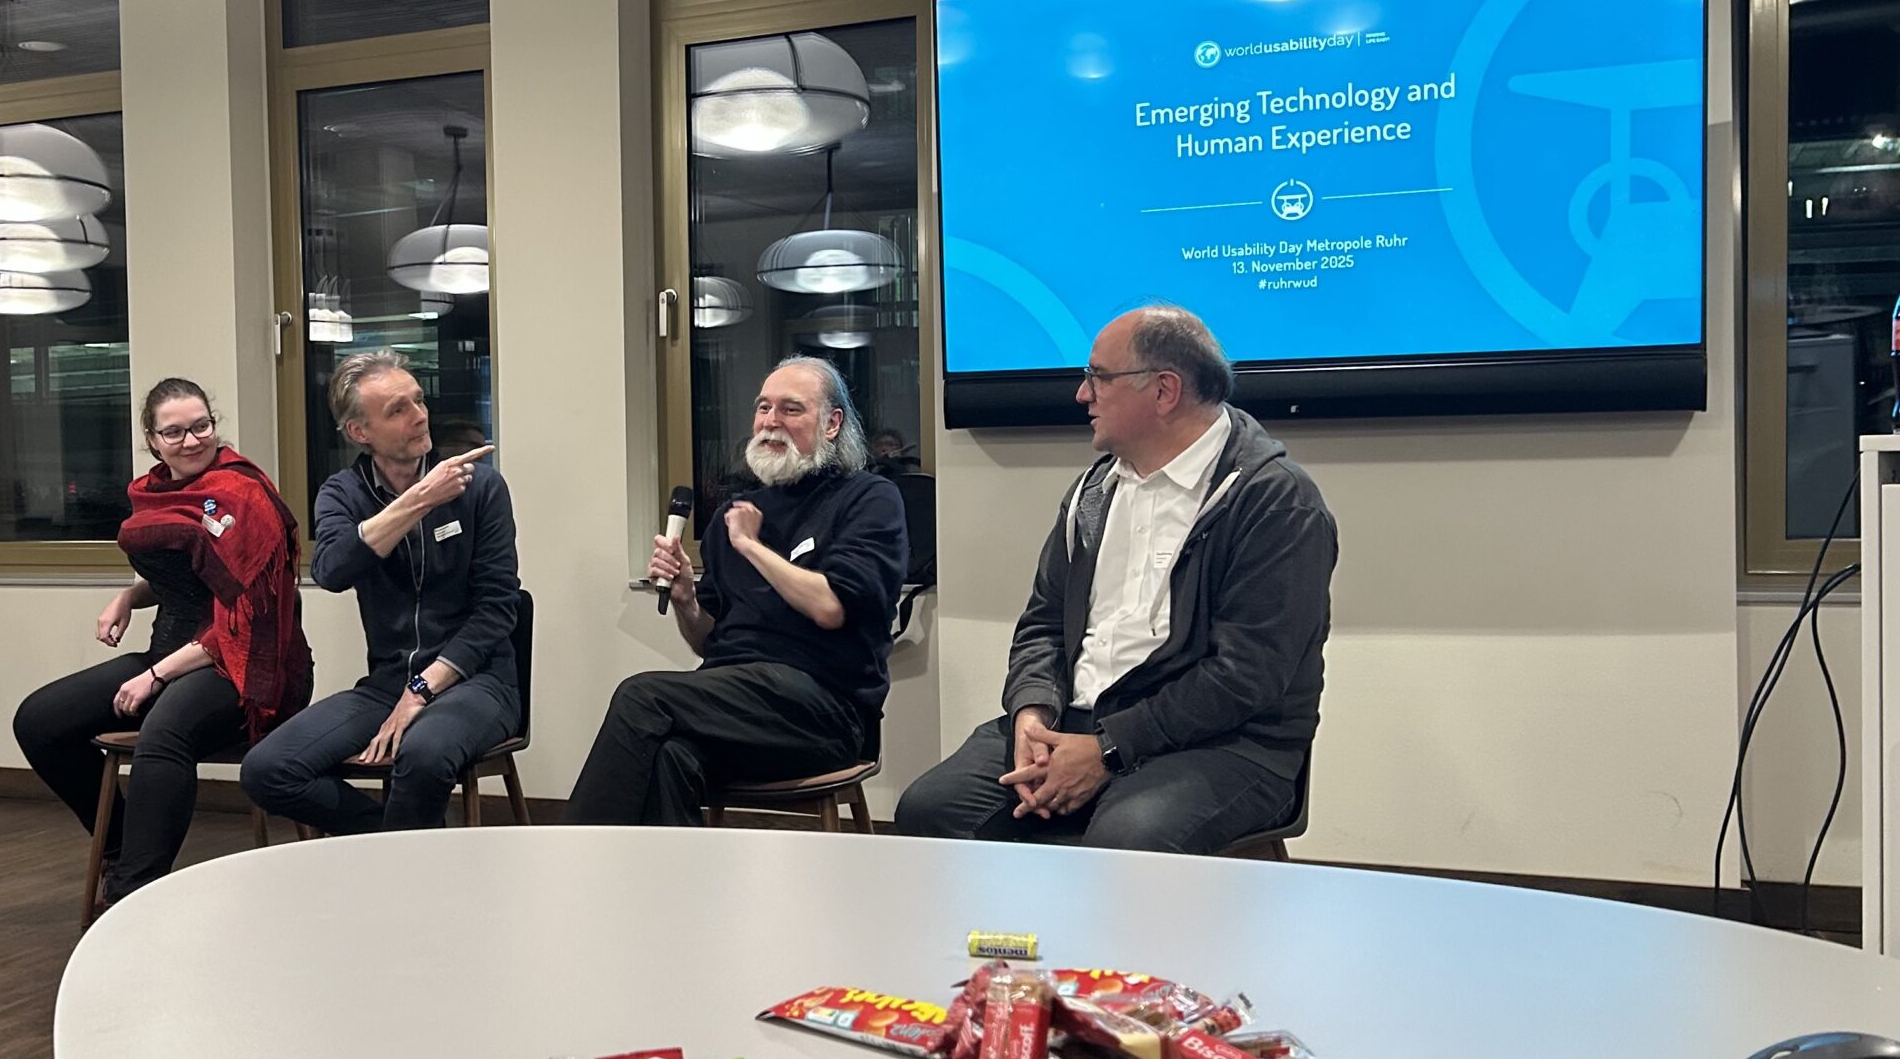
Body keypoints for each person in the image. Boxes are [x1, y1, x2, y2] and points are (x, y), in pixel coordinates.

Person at [893, 306, 1337, 853]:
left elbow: (1246, 676)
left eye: (1099, 377)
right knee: (929, 810)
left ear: (1164, 390)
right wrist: (1032, 712)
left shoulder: (1276, 502)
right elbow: (1043, 625)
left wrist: (1108, 749)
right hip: (1075, 722)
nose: (1082, 394)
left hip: (1226, 742)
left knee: (1126, 842)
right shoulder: (1092, 493)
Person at [567, 356, 906, 826]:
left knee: (642, 696)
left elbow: (830, 607)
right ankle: (665, 875)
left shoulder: (867, 498)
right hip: (735, 705)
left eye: (790, 409)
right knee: (669, 756)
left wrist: (751, 545)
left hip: (825, 710)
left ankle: (573, 858)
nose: (770, 421)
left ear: (832, 424)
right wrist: (686, 599)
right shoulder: (736, 511)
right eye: (763, 408)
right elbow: (709, 642)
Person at [14, 379, 311, 910]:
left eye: (201, 426)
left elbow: (245, 615)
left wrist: (156, 676)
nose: (191, 441)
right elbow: (190, 573)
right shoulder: (151, 491)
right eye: (174, 432)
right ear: (152, 440)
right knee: (39, 721)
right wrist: (129, 596)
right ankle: (120, 848)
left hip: (245, 667)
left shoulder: (243, 494)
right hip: (172, 652)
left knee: (163, 733)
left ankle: (135, 891)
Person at [241, 350, 521, 833]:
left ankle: (400, 862)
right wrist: (419, 501)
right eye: (397, 409)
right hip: (387, 683)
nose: (419, 415)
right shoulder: (342, 493)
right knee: (267, 770)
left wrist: (421, 689)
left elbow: (497, 608)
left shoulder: (480, 487)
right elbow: (332, 570)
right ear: (359, 432)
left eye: (418, 400)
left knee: (423, 753)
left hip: (479, 682)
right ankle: (393, 843)